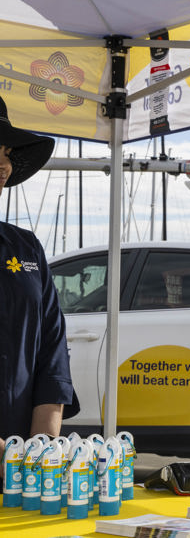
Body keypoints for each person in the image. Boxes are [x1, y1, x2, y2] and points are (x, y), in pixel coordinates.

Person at [0, 95, 78, 446]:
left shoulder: (25, 246)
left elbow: (52, 352)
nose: (5, 164)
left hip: (22, 473)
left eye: (7, 152)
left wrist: (39, 450)